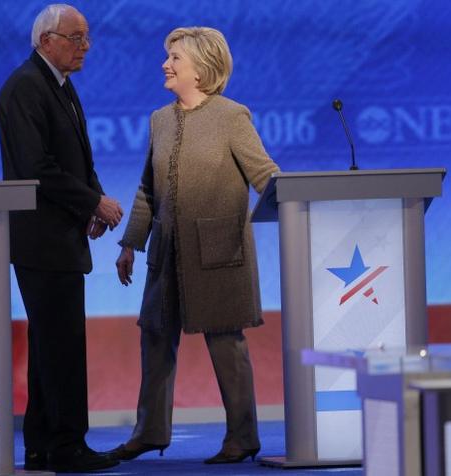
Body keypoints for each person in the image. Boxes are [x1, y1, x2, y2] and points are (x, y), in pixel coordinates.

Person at [111, 27, 280, 465]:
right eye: (167, 58)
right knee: (155, 336)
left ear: (201, 70)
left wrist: (297, 206)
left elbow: (266, 176)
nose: (165, 65)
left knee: (226, 342)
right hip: (167, 251)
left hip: (219, 251)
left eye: (175, 59)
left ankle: (243, 437)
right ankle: (149, 433)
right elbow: (148, 190)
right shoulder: (159, 120)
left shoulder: (231, 115)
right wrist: (130, 243)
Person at [0, 4, 123, 473]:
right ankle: (68, 446)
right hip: (41, 239)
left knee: (50, 345)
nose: (85, 46)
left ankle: (41, 444)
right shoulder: (26, 87)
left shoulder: (58, 85)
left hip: (59, 234)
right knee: (61, 345)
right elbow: (38, 169)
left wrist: (92, 200)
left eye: (86, 37)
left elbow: (75, 159)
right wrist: (92, 203)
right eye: (76, 37)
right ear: (47, 40)